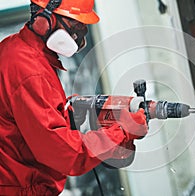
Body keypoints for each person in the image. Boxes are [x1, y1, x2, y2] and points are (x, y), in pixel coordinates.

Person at [0, 0, 148, 195]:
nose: (80, 32)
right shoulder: (29, 70)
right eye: (75, 23)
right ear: (45, 18)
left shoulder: (16, 48)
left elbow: (23, 120)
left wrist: (67, 111)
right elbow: (65, 155)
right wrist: (122, 131)